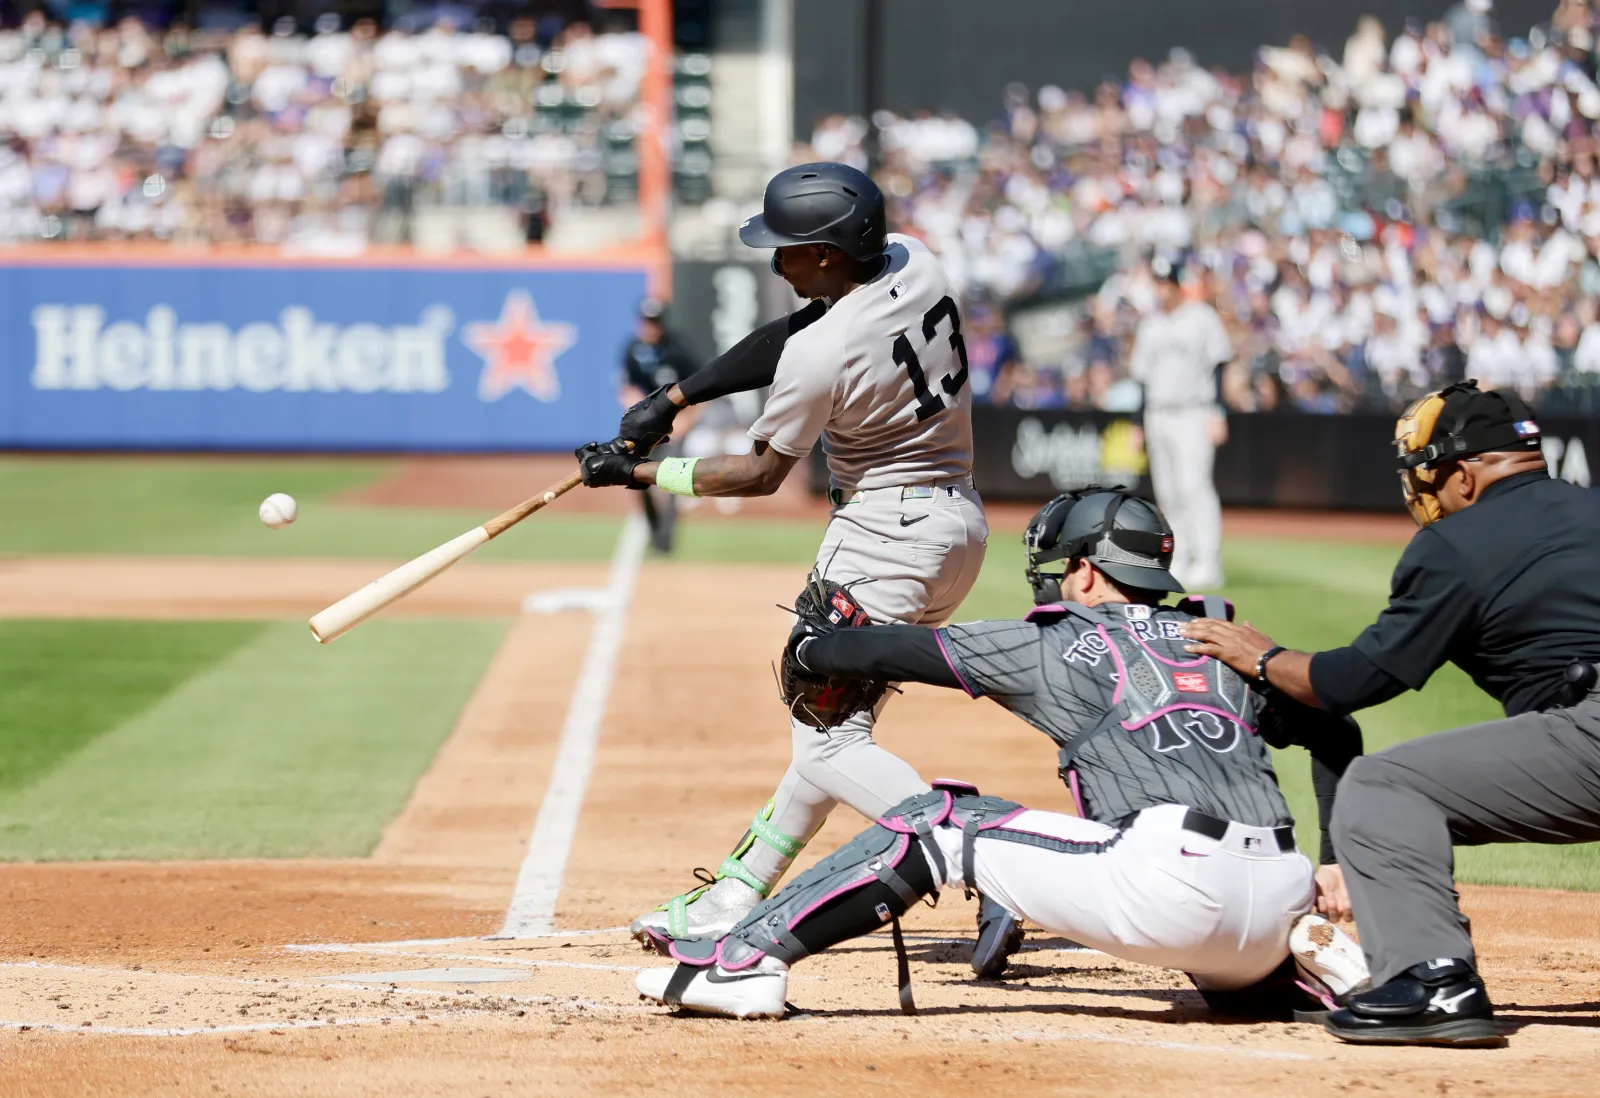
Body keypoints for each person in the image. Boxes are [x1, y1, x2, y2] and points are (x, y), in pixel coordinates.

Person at [632, 488, 1369, 1019]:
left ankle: (740, 962)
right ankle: (1298, 971)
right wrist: (1337, 860)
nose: (1053, 581)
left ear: (1087, 571)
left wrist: (817, 644)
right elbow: (1338, 731)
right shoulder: (1221, 643)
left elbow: (902, 649)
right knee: (1224, 936)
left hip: (1170, 890)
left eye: (1058, 568)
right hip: (1279, 892)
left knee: (939, 821)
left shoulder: (1055, 641)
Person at [575, 163, 990, 946]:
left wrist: (635, 470)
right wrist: (674, 400)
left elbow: (761, 473)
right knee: (830, 730)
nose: (775, 260)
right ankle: (739, 889)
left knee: (831, 739)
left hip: (882, 542)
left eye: (788, 248)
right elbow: (796, 330)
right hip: (955, 531)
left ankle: (980, 858)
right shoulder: (914, 258)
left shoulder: (825, 353)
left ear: (829, 255)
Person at [1180, 380, 1600, 1048]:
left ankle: (1433, 979)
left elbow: (1349, 682)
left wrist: (1263, 657)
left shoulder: (1461, 542)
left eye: (1428, 471)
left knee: (1384, 788)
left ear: (1465, 473)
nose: (1422, 488)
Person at [1129, 256, 1233, 590]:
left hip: (1194, 411)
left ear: (1176, 284)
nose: (1162, 290)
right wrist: (1137, 423)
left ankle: (1208, 561)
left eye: (1165, 283)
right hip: (1157, 413)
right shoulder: (1150, 324)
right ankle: (1182, 557)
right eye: (1157, 284)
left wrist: (1218, 412)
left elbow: (1218, 365)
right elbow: (1142, 379)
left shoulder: (1201, 317)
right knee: (1169, 492)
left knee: (1195, 486)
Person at [617, 298, 700, 553]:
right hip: (644, 427)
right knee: (636, 477)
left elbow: (702, 388)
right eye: (646, 321)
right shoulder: (632, 349)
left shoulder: (678, 349)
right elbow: (626, 386)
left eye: (655, 322)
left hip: (675, 426)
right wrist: (636, 415)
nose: (650, 327)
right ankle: (653, 527)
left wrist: (686, 421)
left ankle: (665, 541)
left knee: (673, 480)